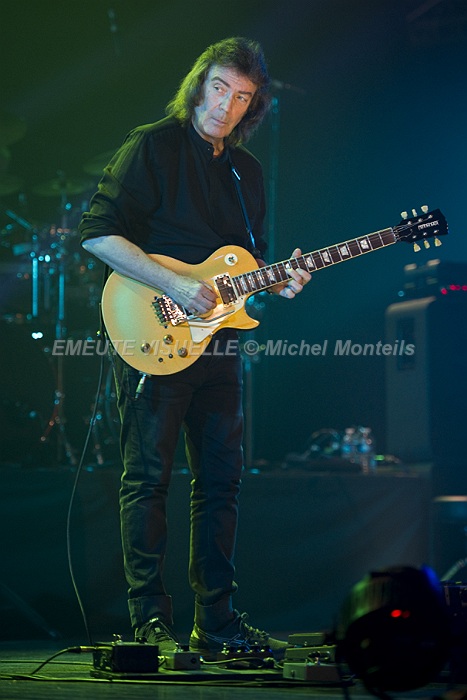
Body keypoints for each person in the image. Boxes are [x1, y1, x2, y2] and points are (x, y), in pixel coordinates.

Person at [79, 36, 310, 660]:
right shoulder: (152, 145)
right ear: (198, 86)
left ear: (253, 106)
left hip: (220, 344)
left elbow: (246, 267)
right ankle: (150, 621)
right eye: (219, 89)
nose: (226, 106)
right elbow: (97, 234)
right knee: (147, 479)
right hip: (152, 329)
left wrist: (280, 281)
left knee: (221, 483)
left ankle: (218, 622)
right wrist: (177, 284)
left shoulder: (246, 172)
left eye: (242, 97)